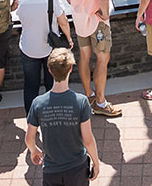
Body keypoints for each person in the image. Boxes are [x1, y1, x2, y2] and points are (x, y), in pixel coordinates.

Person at [64, 0, 121, 118]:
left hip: (80, 20)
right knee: (103, 59)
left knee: (84, 56)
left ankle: (89, 95)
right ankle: (101, 102)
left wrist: (79, 6)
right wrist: (104, 14)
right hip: (97, 21)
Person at [25, 48, 101, 186]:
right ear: (71, 69)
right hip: (77, 168)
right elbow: (88, 140)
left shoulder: (38, 103)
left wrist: (34, 150)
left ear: (49, 70)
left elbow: (29, 139)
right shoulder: (81, 101)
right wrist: (96, 163)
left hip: (51, 169)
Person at [18, 0, 73, 112]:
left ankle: (31, 117)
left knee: (30, 85)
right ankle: (51, 113)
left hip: (28, 47)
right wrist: (68, 39)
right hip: (49, 49)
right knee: (52, 84)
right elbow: (63, 22)